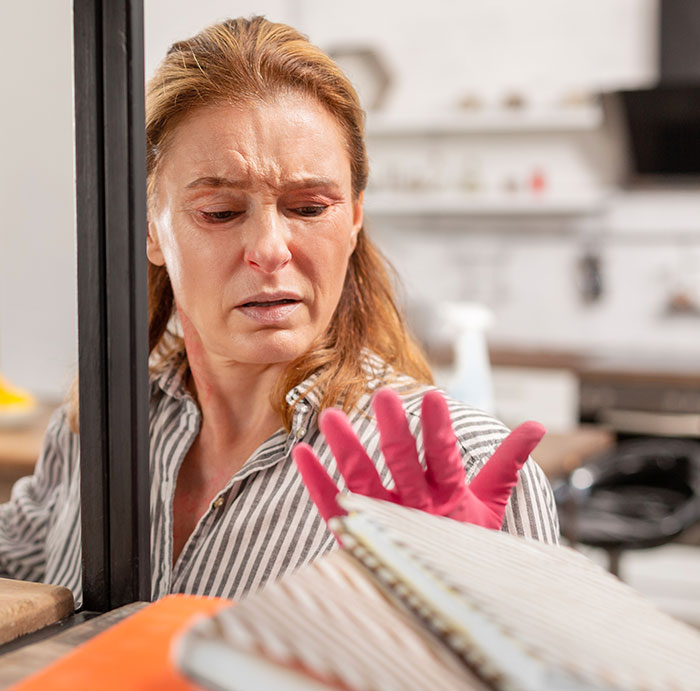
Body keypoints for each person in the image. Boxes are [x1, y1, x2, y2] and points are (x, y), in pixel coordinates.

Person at [0, 16, 558, 606]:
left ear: (355, 218)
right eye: (219, 211)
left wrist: (471, 630)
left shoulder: (465, 469)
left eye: (310, 208)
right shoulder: (103, 422)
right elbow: (20, 563)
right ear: (149, 228)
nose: (269, 249)